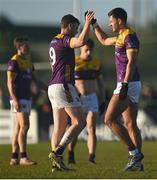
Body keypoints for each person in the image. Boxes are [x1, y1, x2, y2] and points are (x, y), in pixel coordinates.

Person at [91, 7, 144, 171]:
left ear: (119, 20)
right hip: (130, 83)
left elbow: (131, 62)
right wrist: (94, 24)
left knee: (109, 119)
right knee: (130, 124)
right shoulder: (121, 36)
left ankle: (134, 153)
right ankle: (136, 163)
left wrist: (125, 84)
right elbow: (104, 40)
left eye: (111, 21)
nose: (110, 23)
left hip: (127, 84)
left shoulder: (129, 35)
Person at [48, 12, 94, 172]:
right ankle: (58, 152)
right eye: (76, 26)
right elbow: (81, 41)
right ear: (68, 26)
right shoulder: (63, 39)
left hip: (53, 87)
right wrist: (88, 23)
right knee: (80, 121)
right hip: (63, 86)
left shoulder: (53, 40)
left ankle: (56, 164)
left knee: (59, 128)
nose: (77, 29)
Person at [7, 36, 47, 166]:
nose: (28, 47)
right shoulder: (14, 62)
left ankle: (14, 157)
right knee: (25, 126)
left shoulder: (29, 62)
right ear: (19, 47)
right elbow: (9, 82)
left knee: (19, 128)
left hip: (26, 98)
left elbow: (37, 81)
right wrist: (14, 99)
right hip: (18, 98)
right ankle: (23, 157)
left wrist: (49, 89)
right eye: (25, 45)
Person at [67, 38, 106, 164]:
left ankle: (91, 157)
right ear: (80, 49)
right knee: (77, 127)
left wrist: (102, 100)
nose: (89, 52)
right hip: (78, 99)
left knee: (91, 127)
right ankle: (71, 153)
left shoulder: (96, 63)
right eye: (86, 50)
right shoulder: (74, 62)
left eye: (91, 50)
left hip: (92, 98)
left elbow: (100, 83)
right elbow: (68, 82)